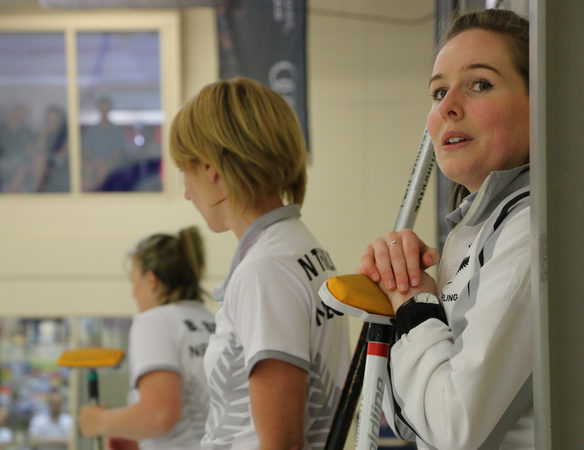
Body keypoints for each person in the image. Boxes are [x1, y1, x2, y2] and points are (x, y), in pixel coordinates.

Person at [356, 9, 532, 449]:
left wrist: (414, 304)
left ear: (541, 99)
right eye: (438, 92)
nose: (448, 105)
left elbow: (454, 429)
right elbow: (414, 416)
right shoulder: (471, 231)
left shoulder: (531, 228)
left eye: (480, 84)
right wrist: (407, 287)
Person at [169, 77, 350, 449]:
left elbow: (280, 444)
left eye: (185, 172)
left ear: (210, 169)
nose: (186, 193)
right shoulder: (300, 247)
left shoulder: (265, 270)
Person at [78, 226, 214, 450]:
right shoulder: (214, 322)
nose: (133, 291)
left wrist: (99, 421)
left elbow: (159, 415)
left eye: (133, 280)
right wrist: (140, 435)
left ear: (151, 280)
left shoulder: (155, 321)